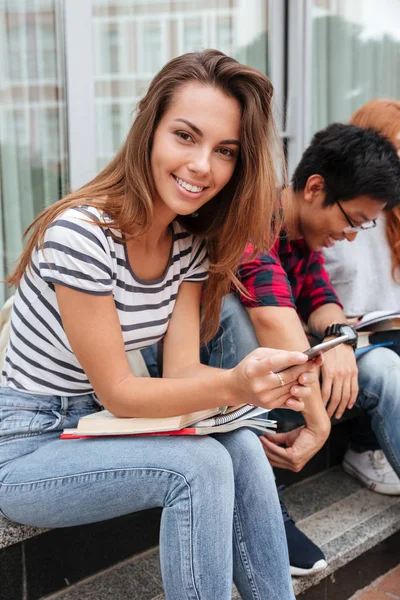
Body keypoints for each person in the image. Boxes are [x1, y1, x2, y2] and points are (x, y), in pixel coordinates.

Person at [0, 50, 322, 600]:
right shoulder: (81, 234)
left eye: (225, 151)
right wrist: (237, 384)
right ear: (149, 129)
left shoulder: (187, 245)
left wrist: (271, 392)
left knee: (242, 445)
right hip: (28, 446)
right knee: (196, 467)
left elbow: (180, 373)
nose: (203, 166)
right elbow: (122, 392)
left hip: (95, 429)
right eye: (185, 136)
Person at [194, 123, 400, 576]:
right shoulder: (248, 214)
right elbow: (272, 317)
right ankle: (260, 506)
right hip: (216, 387)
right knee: (242, 320)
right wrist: (319, 423)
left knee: (386, 364)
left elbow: (322, 300)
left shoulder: (302, 235)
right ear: (314, 188)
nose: (352, 236)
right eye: (352, 220)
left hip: (284, 384)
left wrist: (340, 340)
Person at [323, 99, 400, 496]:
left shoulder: (392, 216)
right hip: (347, 340)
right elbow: (308, 292)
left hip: (387, 331)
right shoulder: (332, 211)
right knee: (390, 365)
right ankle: (366, 448)